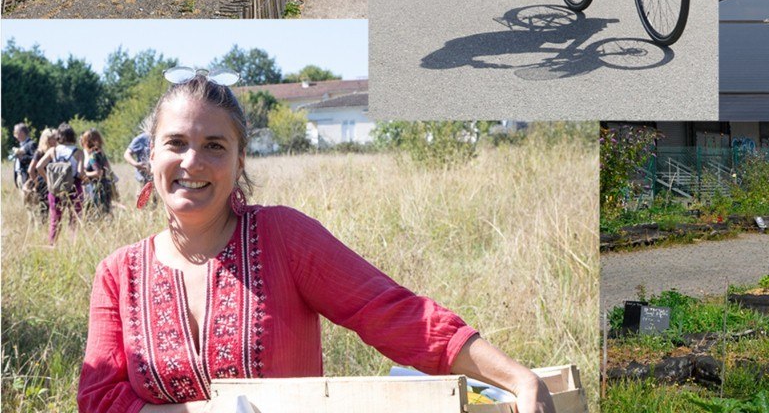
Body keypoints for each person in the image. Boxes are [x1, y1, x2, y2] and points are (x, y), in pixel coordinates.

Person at [78, 74, 554, 413]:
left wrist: (517, 378)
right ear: (150, 154)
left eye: (215, 146)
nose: (193, 161)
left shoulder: (281, 237)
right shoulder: (119, 274)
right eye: (176, 142)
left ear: (241, 159)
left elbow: (394, 314)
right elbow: (99, 400)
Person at [32, 123, 85, 244]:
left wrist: (49, 181)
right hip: (74, 187)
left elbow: (39, 166)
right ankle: (73, 245)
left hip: (56, 188)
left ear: (59, 136)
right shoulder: (78, 152)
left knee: (55, 220)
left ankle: (52, 244)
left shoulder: (53, 150)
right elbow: (80, 172)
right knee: (74, 219)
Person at [80, 129, 116, 217]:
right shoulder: (101, 153)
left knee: (98, 214)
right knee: (106, 212)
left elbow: (98, 173)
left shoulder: (93, 156)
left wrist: (84, 173)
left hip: (96, 188)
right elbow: (108, 169)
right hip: (105, 186)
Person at [125, 131, 156, 208]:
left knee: (155, 204)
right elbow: (127, 154)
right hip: (143, 179)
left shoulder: (160, 136)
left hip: (157, 179)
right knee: (141, 204)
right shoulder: (141, 138)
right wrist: (136, 164)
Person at [12, 123, 36, 189]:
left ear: (22, 133)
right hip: (20, 176)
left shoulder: (31, 144)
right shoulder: (22, 145)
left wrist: (21, 157)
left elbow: (35, 159)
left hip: (27, 178)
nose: (14, 134)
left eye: (16, 132)